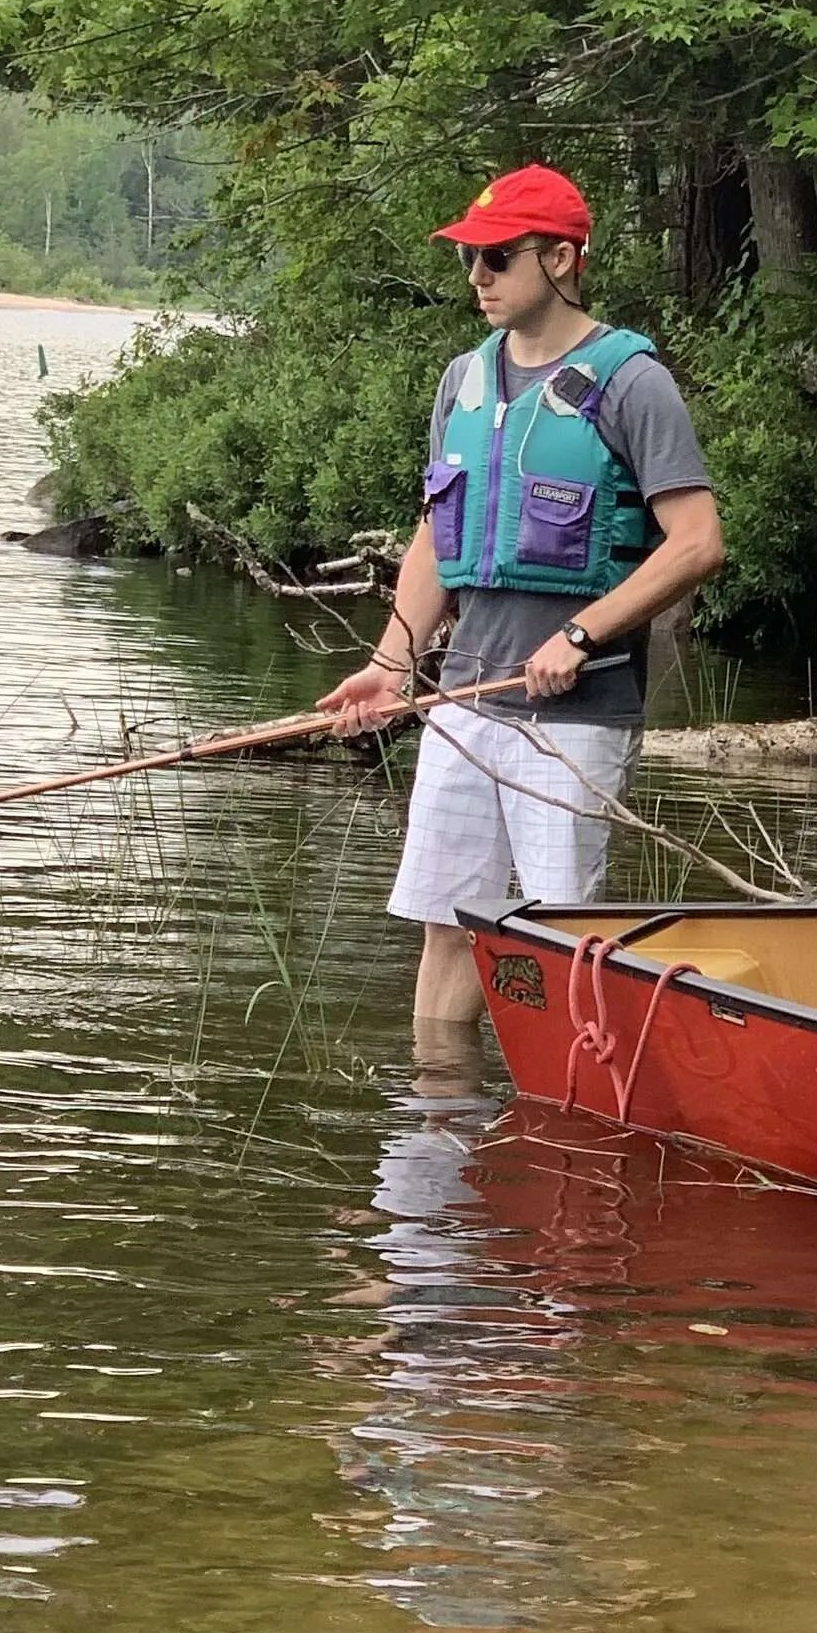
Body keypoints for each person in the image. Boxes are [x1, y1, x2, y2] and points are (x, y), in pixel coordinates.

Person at [318, 163, 724, 1063]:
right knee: (446, 927)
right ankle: (434, 1135)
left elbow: (696, 541)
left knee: (563, 941)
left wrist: (581, 635)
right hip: (463, 705)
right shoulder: (463, 380)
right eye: (469, 257)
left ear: (563, 257)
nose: (477, 276)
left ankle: (574, 1131)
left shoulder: (631, 380)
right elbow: (437, 533)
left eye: (497, 257)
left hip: (577, 719)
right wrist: (393, 663)